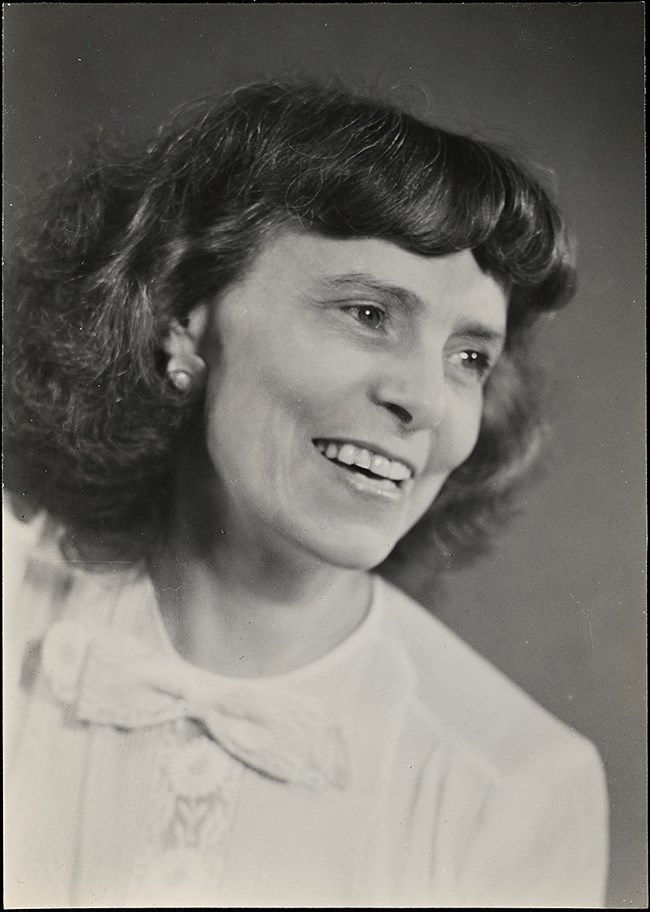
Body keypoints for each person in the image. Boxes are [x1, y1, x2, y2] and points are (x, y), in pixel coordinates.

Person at [3, 79, 609, 908]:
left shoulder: (514, 787)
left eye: (469, 357)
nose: (426, 401)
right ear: (185, 315)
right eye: (367, 312)